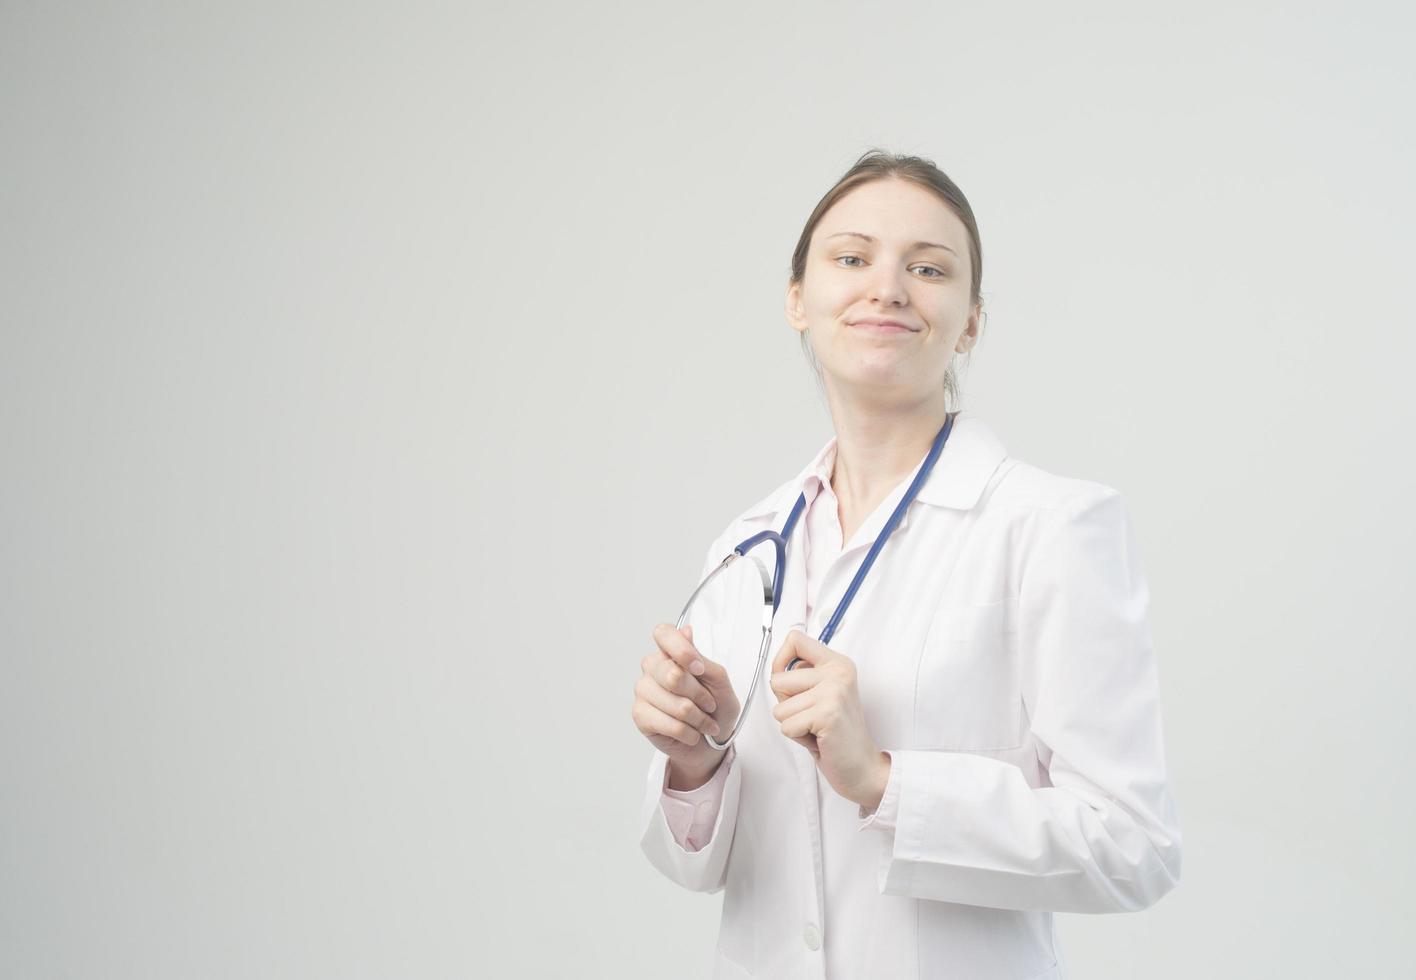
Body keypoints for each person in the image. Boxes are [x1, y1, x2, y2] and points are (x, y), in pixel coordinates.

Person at [631, 149, 1182, 980]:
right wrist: (693, 761)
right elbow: (696, 867)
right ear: (797, 301)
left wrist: (883, 780)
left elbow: (1134, 847)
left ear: (969, 322)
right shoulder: (746, 548)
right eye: (851, 259)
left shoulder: (1050, 527)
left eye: (927, 269)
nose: (886, 287)